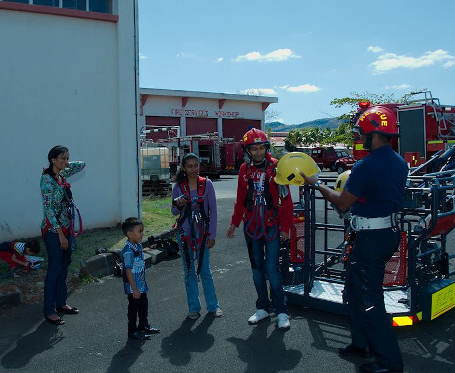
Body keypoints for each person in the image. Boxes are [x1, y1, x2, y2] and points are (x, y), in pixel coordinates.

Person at [301, 106, 406, 373]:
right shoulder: (400, 162)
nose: (360, 138)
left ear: (375, 134)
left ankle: (389, 364)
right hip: (385, 235)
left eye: (361, 133)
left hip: (369, 240)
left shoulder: (365, 165)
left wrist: (316, 184)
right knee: (355, 291)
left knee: (371, 302)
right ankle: (361, 344)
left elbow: (343, 203)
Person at [226, 128, 293, 329]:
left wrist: (285, 228)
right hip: (252, 227)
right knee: (257, 270)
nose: (258, 153)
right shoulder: (244, 171)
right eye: (253, 149)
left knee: (272, 270)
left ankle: (281, 311)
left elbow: (286, 201)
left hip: (272, 226)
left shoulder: (277, 168)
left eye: (261, 148)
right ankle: (263, 307)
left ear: (267, 148)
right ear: (247, 151)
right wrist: (234, 223)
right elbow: (240, 200)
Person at [171, 153, 223, 320]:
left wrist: (212, 235)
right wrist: (179, 205)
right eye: (190, 166)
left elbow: (213, 211)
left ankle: (213, 306)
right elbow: (173, 211)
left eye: (196, 165)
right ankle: (193, 307)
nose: (193, 169)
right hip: (185, 234)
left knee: (205, 270)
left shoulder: (207, 184)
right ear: (184, 168)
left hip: (203, 234)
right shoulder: (178, 187)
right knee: (189, 271)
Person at [40, 145, 85, 325]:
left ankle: (61, 302)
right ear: (52, 159)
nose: (66, 162)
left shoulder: (61, 176)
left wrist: (63, 166)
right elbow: (48, 210)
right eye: (62, 158)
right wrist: (60, 234)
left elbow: (82, 164)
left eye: (67, 158)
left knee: (64, 268)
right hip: (53, 232)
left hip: (66, 229)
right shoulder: (47, 180)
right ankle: (49, 310)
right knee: (54, 269)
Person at [121, 217, 160, 340]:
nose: (142, 234)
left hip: (140, 284)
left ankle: (143, 325)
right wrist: (134, 288)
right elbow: (127, 270)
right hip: (134, 286)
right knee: (133, 308)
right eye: (140, 231)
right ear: (129, 234)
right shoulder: (128, 251)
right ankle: (132, 331)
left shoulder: (137, 246)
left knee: (143, 305)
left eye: (143, 230)